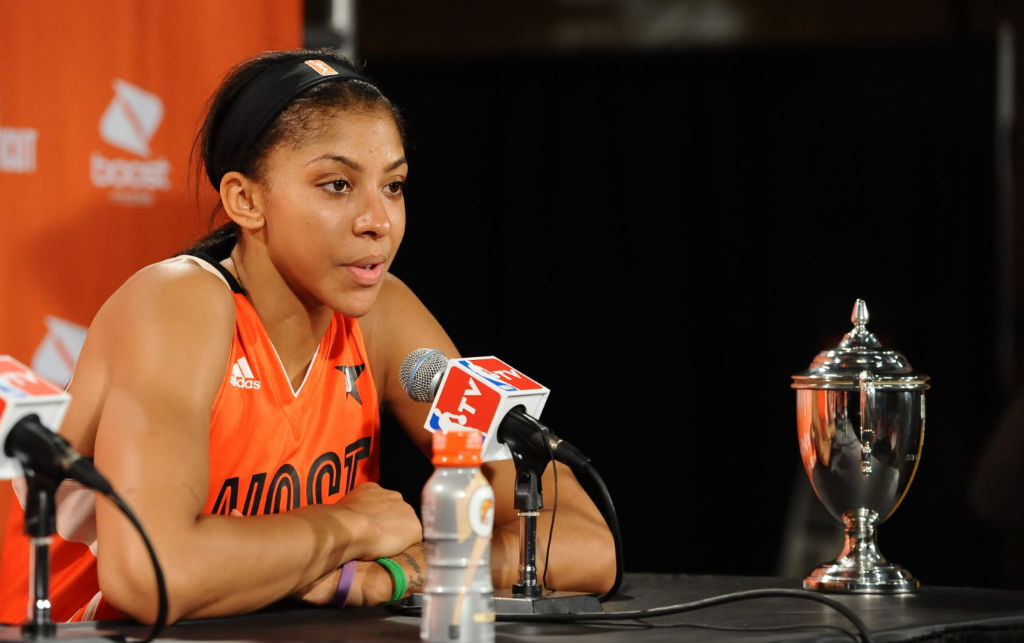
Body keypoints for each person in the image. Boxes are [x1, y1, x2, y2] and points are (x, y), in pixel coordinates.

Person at [0, 48, 616, 625]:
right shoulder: (178, 302)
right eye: (337, 185)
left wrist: (404, 572)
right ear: (245, 199)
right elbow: (151, 574)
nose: (378, 221)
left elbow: (585, 545)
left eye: (394, 185)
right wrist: (344, 529)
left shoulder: (382, 317)